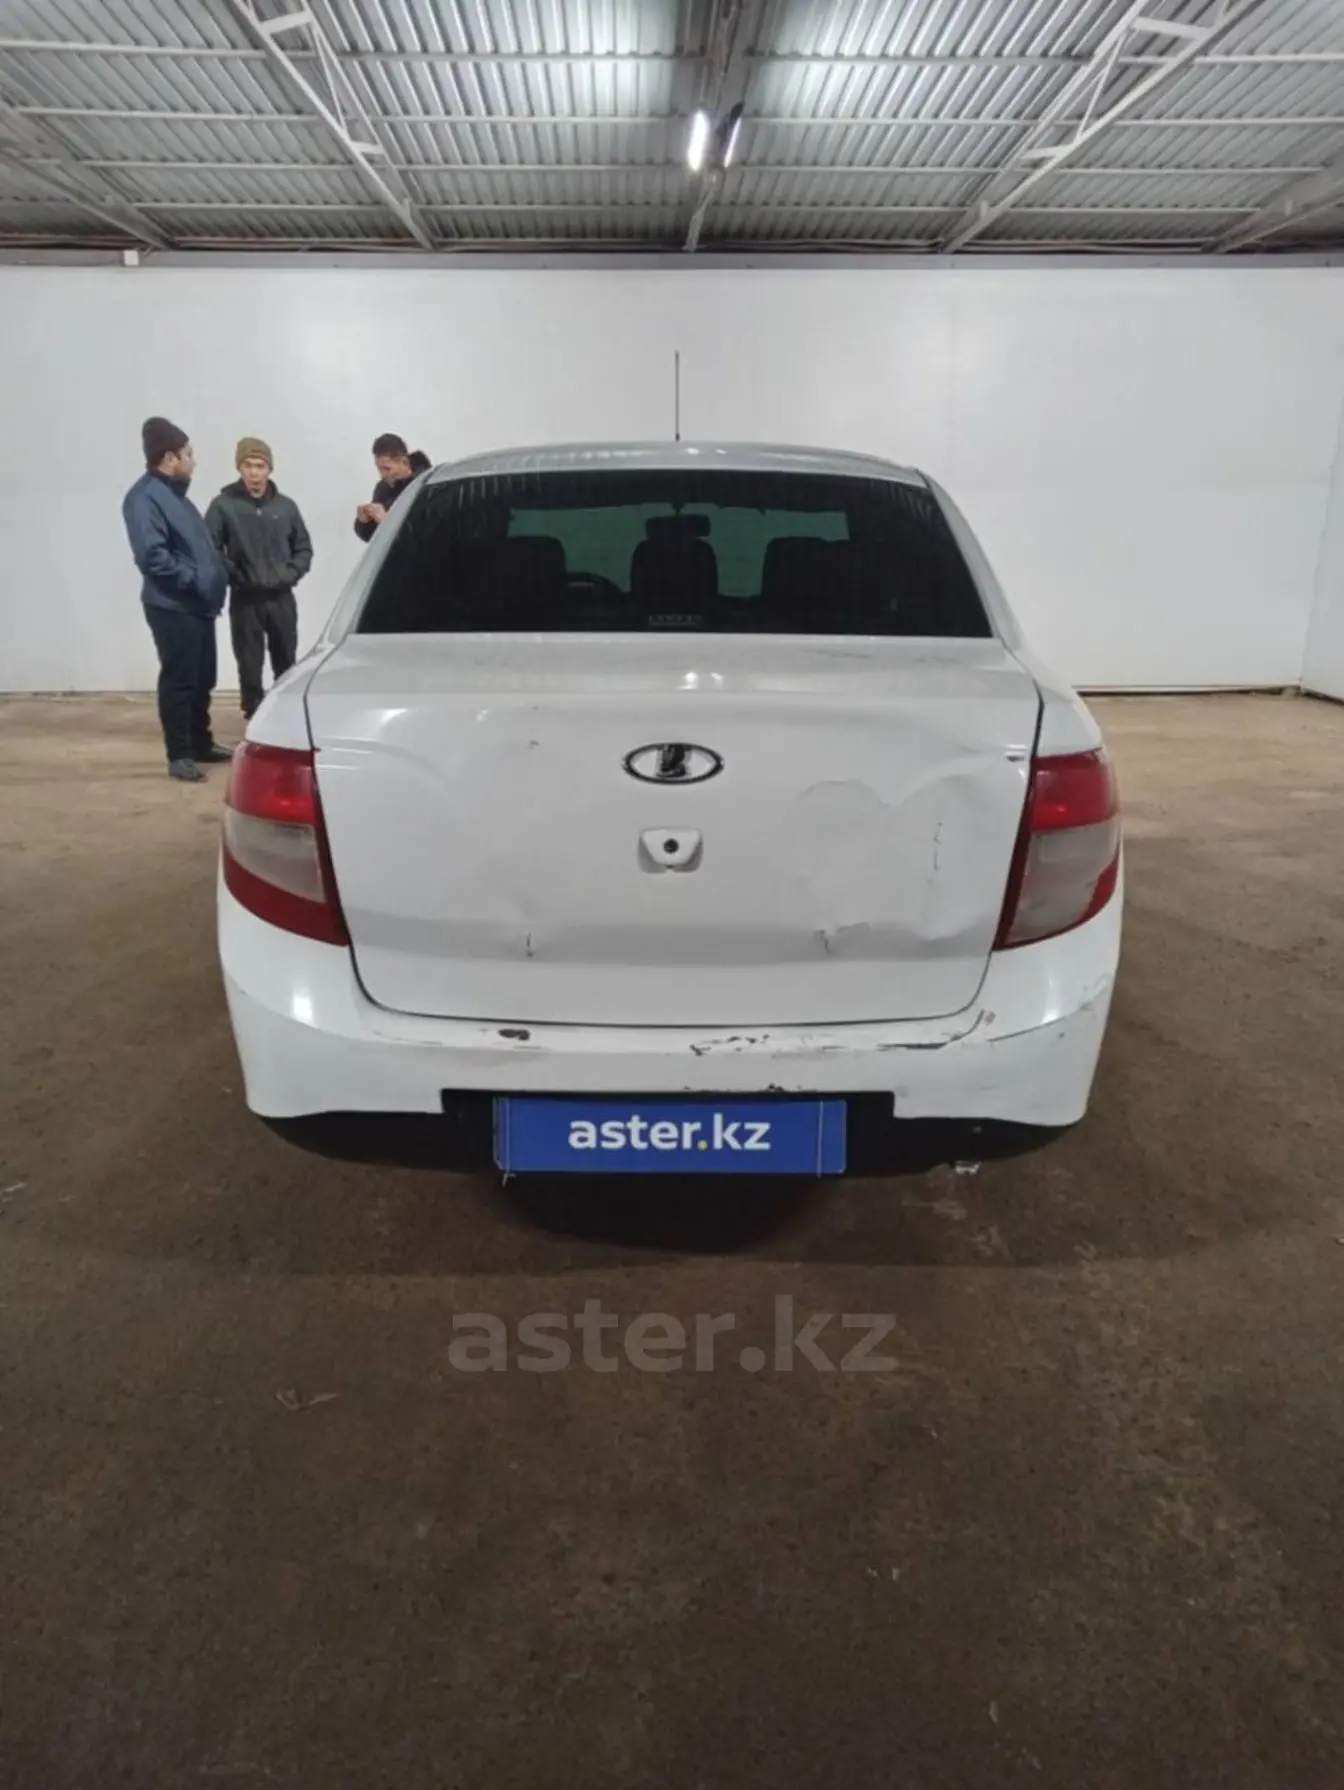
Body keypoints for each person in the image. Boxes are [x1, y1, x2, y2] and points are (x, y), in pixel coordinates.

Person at [122, 417, 230, 783]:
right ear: (169, 457)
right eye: (188, 453)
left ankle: (200, 742)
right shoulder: (144, 498)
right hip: (173, 605)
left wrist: (218, 570)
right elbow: (152, 557)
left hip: (197, 605)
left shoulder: (176, 497)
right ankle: (180, 754)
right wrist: (197, 580)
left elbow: (194, 548)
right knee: (180, 680)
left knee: (202, 678)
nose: (193, 460)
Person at [205, 438, 314, 721]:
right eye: (248, 465)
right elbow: (210, 548)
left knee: (286, 661)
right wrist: (236, 575)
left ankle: (285, 715)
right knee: (249, 662)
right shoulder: (223, 506)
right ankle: (253, 716)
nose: (254, 472)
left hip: (281, 598)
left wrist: (290, 574)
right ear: (239, 468)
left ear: (269, 469)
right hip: (246, 599)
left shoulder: (286, 507)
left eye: (260, 466)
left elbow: (303, 547)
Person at [354, 432, 430, 541]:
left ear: (404, 462)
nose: (382, 475)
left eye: (387, 468)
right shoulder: (383, 488)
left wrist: (387, 521)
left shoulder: (428, 486)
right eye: (379, 468)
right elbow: (373, 539)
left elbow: (427, 535)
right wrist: (364, 523)